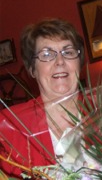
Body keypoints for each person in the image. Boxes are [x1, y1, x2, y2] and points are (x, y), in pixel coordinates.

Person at [0, 18, 88, 178]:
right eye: (46, 54)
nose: (60, 61)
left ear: (79, 62)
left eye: (68, 52)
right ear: (32, 69)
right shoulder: (8, 125)